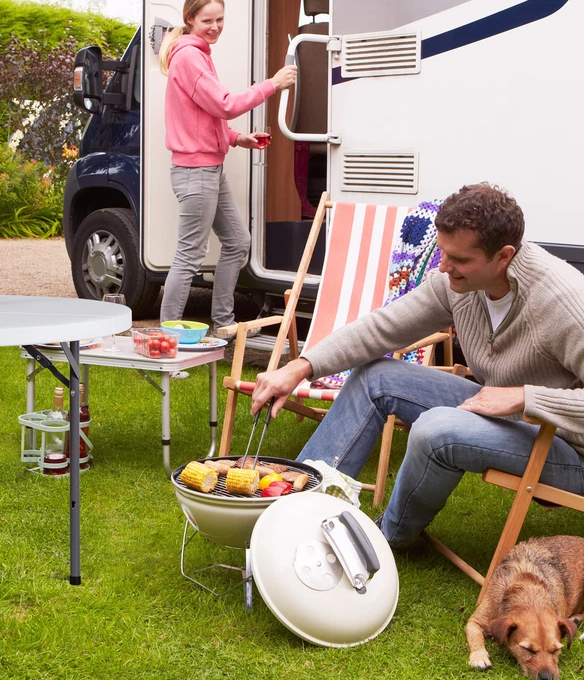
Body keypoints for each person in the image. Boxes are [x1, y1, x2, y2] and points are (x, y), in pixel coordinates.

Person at [250, 183, 584, 546]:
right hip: (506, 414)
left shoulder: (563, 302)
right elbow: (382, 328)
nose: (443, 267)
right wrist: (300, 366)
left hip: (568, 449)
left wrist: (524, 397)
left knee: (435, 427)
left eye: (459, 259)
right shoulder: (454, 282)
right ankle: (296, 513)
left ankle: (384, 540)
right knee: (376, 376)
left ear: (503, 257)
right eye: (442, 252)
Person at [159, 0, 297, 332]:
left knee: (237, 242)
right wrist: (273, 84)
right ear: (190, 19)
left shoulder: (198, 54)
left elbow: (202, 115)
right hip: (196, 173)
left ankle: (224, 325)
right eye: (207, 20)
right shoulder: (189, 58)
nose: (215, 26)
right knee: (189, 256)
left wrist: (236, 138)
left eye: (220, 19)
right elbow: (225, 105)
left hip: (209, 170)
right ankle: (168, 339)